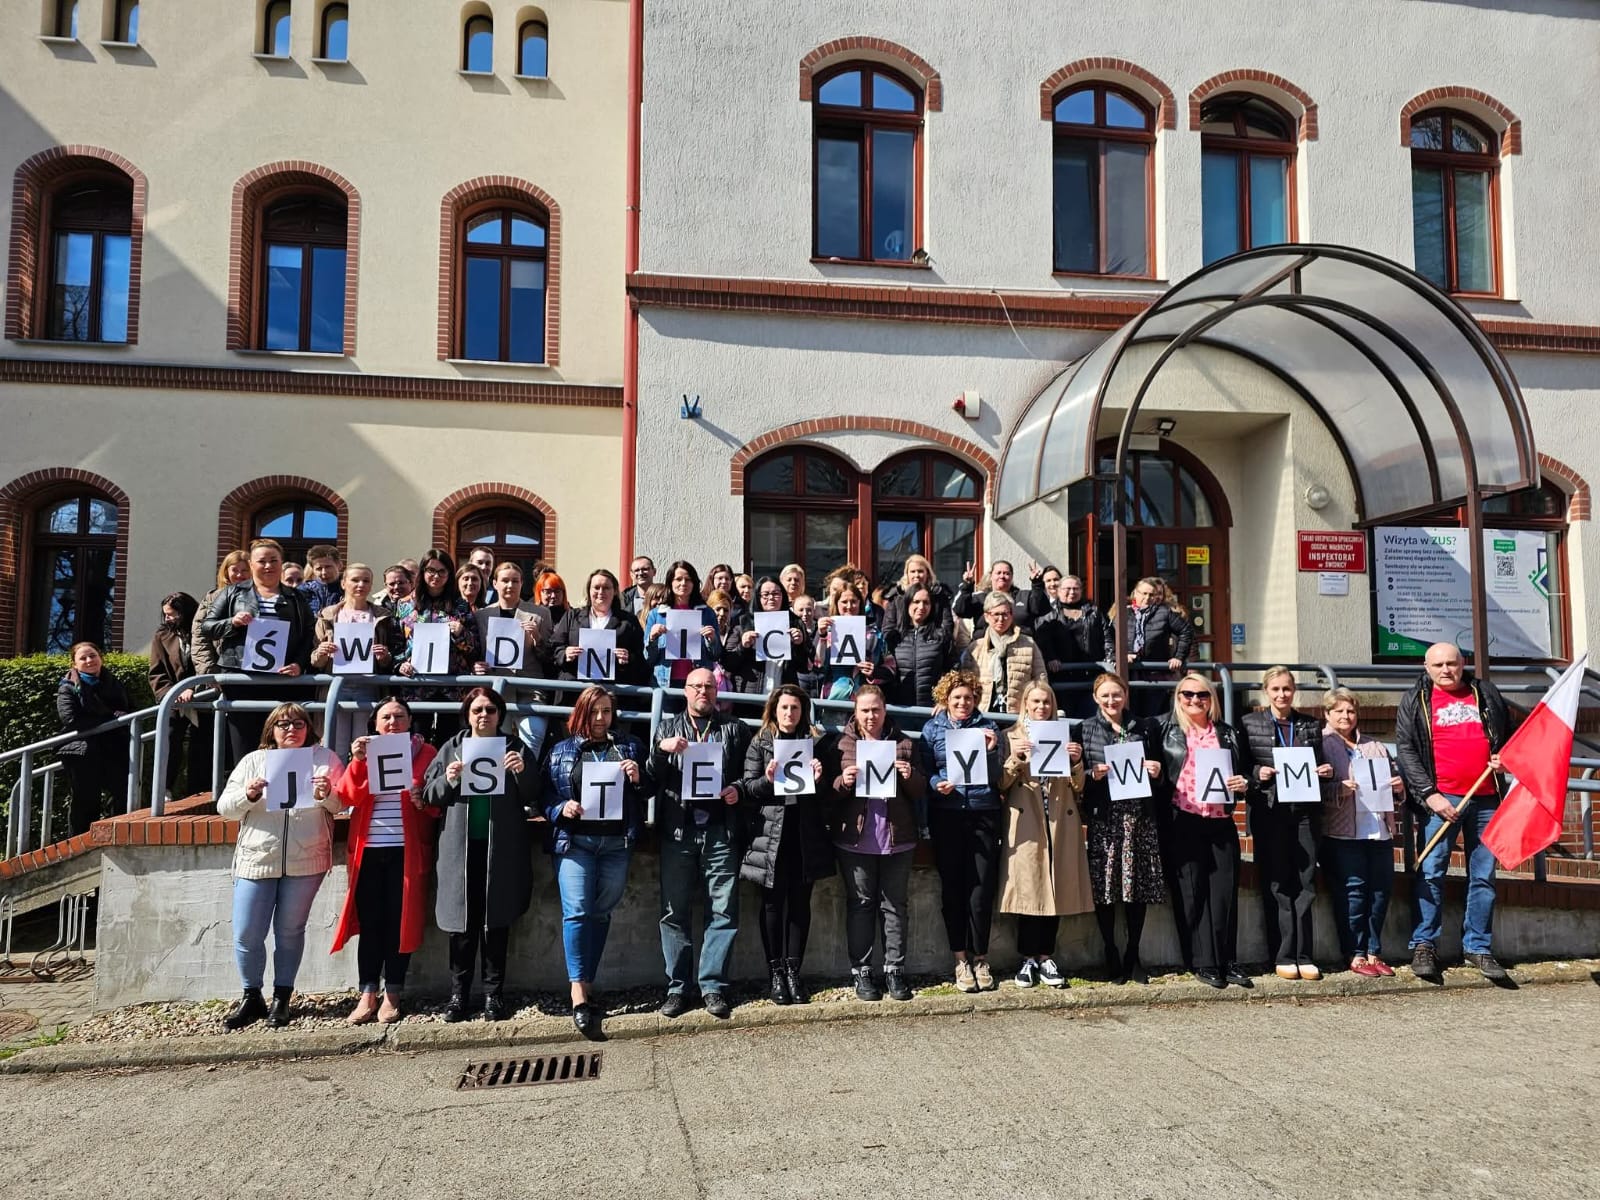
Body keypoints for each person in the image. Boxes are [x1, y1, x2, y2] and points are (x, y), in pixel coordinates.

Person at [215, 703, 344, 1030]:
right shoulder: (253, 761)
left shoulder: (325, 759)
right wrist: (248, 793)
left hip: (306, 859)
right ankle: (251, 994)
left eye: (298, 723)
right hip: (257, 858)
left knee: (289, 931)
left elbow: (343, 803)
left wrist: (327, 794)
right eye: (283, 724)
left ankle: (282, 997)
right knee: (246, 932)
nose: (291, 729)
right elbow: (225, 808)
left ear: (308, 728)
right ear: (271, 730)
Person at [1395, 642, 1511, 982]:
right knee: (1431, 872)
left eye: (1452, 663)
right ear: (1426, 667)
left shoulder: (1485, 693)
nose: (1446, 670)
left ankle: (1478, 946)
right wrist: (1429, 794)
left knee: (1484, 875)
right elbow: (1406, 749)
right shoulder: (1415, 699)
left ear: (1463, 664)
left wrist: (1505, 758)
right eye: (1438, 665)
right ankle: (1424, 944)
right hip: (1440, 799)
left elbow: (1510, 735)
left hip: (1486, 796)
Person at [423, 687, 537, 1022]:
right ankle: (458, 995)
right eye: (477, 710)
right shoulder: (451, 748)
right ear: (467, 715)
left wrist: (522, 772)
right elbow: (430, 795)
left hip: (500, 851)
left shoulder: (515, 747)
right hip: (460, 850)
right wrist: (448, 777)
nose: (483, 716)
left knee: (495, 923)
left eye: (490, 710)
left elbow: (536, 793)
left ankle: (493, 995)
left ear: (500, 714)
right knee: (462, 925)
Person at [545, 685, 649, 1038]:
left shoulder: (630, 746)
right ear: (582, 713)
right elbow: (544, 793)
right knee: (576, 910)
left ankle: (587, 979)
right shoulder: (561, 751)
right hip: (576, 842)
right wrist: (560, 808)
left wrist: (638, 778)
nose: (602, 719)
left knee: (602, 911)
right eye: (595, 712)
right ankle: (578, 992)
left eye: (606, 711)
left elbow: (647, 790)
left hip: (616, 843)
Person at [647, 668, 751, 1019]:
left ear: (717, 689)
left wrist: (737, 789)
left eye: (709, 686)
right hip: (679, 831)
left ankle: (712, 986)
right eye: (696, 686)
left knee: (722, 911)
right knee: (673, 912)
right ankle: (678, 988)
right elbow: (648, 781)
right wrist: (662, 752)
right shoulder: (666, 728)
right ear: (685, 692)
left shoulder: (735, 729)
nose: (703, 692)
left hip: (721, 831)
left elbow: (748, 777)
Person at [331, 698, 439, 1024]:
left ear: (410, 721)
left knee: (399, 923)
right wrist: (357, 761)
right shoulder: (364, 753)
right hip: (369, 849)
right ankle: (367, 994)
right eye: (386, 717)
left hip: (406, 850)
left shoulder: (427, 753)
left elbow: (436, 806)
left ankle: (393, 992)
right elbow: (348, 797)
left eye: (399, 716)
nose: (393, 722)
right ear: (375, 724)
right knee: (371, 924)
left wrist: (423, 800)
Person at [829, 684, 924, 1001]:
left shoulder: (905, 744)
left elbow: (920, 791)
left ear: (885, 711)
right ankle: (862, 971)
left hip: (898, 839)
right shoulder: (842, 745)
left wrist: (910, 776)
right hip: (855, 840)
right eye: (864, 710)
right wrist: (844, 782)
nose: (871, 716)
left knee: (895, 907)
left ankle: (894, 970)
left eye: (876, 709)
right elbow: (828, 792)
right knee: (861, 906)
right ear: (855, 712)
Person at [738, 685, 831, 1006]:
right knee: (773, 905)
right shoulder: (760, 742)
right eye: (784, 708)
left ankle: (794, 972)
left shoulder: (817, 742)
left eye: (795, 708)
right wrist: (767, 779)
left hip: (805, 834)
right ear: (774, 710)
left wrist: (821, 778)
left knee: (801, 904)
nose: (790, 714)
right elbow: (748, 789)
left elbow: (831, 794)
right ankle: (775, 973)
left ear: (803, 711)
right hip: (770, 836)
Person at [1241, 667, 1335, 981]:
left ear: (1294, 691)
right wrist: (1257, 774)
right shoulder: (1249, 723)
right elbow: (1242, 768)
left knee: (1305, 883)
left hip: (1305, 812)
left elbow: (1321, 763)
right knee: (1277, 883)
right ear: (1266, 691)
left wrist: (1325, 772)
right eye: (1276, 689)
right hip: (1270, 811)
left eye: (1287, 689)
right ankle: (1281, 954)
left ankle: (1304, 954)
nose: (1282, 695)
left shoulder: (1309, 724)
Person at [1156, 673, 1250, 989]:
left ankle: (1228, 959)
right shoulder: (1164, 729)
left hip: (1221, 820)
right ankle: (1201, 960)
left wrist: (1244, 782)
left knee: (1224, 893)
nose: (1195, 700)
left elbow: (1245, 770)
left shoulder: (1228, 733)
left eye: (1202, 695)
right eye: (1187, 695)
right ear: (1178, 697)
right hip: (1183, 819)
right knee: (1192, 893)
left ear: (1212, 698)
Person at [999, 683, 1093, 988]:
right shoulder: (1010, 737)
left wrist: (1077, 762)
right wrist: (1017, 758)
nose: (1041, 707)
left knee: (1056, 887)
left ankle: (1046, 955)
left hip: (1059, 821)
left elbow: (1079, 787)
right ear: (1025, 703)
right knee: (1029, 888)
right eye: (1036, 701)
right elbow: (1000, 783)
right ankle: (1027, 957)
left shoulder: (1065, 735)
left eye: (1046, 702)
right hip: (1027, 822)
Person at [919, 669, 1004, 993]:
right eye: (957, 698)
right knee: (952, 890)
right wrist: (933, 784)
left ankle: (981, 957)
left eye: (968, 698)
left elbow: (997, 777)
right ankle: (960, 959)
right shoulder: (932, 729)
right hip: (948, 813)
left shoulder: (989, 727)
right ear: (946, 699)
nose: (963, 703)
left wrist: (994, 749)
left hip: (984, 812)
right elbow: (925, 768)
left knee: (981, 892)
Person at [200, 538, 317, 767]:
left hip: (283, 679)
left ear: (281, 563)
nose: (268, 566)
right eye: (261, 561)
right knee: (245, 741)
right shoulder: (232, 593)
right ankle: (249, 793)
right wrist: (232, 622)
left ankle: (284, 793)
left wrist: (299, 664)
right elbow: (207, 627)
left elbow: (308, 636)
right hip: (242, 678)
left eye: (273, 560)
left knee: (285, 739)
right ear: (251, 564)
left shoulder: (296, 597)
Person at [1080, 673, 1164, 984]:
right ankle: (1110, 951)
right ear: (1095, 698)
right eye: (1106, 696)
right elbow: (1078, 776)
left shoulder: (1145, 726)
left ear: (1126, 695)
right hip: (1106, 817)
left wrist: (1155, 770)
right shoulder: (1086, 729)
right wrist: (1092, 774)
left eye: (1117, 695)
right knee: (1105, 888)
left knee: (1136, 887)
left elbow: (1161, 771)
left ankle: (1133, 951)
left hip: (1139, 817)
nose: (1112, 701)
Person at [1320, 688, 1404, 978]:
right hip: (1343, 833)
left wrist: (1398, 788)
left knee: (1380, 893)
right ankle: (1354, 953)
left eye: (1351, 711)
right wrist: (1338, 790)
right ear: (1327, 714)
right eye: (1339, 711)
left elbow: (1397, 792)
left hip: (1379, 830)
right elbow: (1314, 791)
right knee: (1354, 894)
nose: (1346, 716)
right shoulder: (1321, 744)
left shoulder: (1375, 746)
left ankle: (1373, 950)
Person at [397, 549, 481, 743]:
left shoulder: (461, 605)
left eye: (442, 571)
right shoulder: (405, 605)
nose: (436, 576)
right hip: (416, 686)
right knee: (417, 741)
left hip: (451, 687)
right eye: (431, 570)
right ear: (422, 572)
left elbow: (475, 648)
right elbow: (396, 644)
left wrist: (461, 633)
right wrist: (400, 663)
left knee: (449, 741)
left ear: (450, 574)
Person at [55, 642, 132, 835]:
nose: (89, 660)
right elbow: (71, 718)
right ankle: (80, 841)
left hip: (114, 747)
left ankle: (116, 836)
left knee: (121, 795)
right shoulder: (68, 687)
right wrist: (108, 717)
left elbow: (129, 710)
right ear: (74, 664)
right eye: (83, 658)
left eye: (93, 655)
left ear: (100, 657)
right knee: (86, 799)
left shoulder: (114, 683)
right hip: (82, 750)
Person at [149, 591, 212, 799]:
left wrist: (194, 689)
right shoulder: (162, 635)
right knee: (169, 738)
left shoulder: (203, 631)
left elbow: (207, 663)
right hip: (175, 702)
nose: (169, 619)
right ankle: (164, 790)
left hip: (204, 698)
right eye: (165, 615)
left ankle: (199, 791)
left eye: (173, 614)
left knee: (202, 745)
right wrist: (171, 695)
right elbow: (156, 672)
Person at [1111, 576, 1193, 718]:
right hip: (1128, 673)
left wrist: (1178, 657)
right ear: (1135, 594)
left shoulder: (1164, 613)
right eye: (1144, 593)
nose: (1147, 598)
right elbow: (1109, 638)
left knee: (1152, 715)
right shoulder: (1123, 613)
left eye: (1151, 595)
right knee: (1129, 714)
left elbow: (1186, 631)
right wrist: (1121, 655)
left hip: (1155, 674)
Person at [551, 568, 647, 688]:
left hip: (614, 690)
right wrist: (565, 654)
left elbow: (641, 656)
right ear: (589, 591)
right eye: (596, 587)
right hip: (574, 688)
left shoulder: (628, 621)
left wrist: (628, 658)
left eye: (606, 588)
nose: (601, 592)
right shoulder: (572, 616)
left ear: (615, 591)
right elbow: (555, 647)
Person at [1031, 574, 1106, 718]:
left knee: (1090, 716)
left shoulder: (1094, 612)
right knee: (1065, 717)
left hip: (1089, 674)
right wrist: (1051, 657)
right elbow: (1042, 639)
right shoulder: (1049, 614)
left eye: (1076, 588)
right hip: (1061, 675)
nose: (1072, 592)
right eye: (1067, 588)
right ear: (1058, 591)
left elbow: (1107, 636)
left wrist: (1110, 659)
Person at [961, 593, 1048, 715]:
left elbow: (1040, 680)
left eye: (1005, 614)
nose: (1001, 619)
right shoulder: (975, 647)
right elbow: (964, 683)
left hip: (1018, 713)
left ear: (1012, 615)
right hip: (983, 713)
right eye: (996, 614)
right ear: (986, 616)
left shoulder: (1028, 643)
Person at [724, 576, 810, 694]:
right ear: (758, 597)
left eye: (775, 593)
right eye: (765, 594)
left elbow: (805, 667)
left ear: (783, 596)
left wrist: (800, 645)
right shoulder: (743, 623)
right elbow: (728, 663)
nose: (771, 598)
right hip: (750, 699)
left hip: (783, 698)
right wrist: (743, 646)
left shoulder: (796, 624)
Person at [644, 561, 721, 689]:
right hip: (665, 683)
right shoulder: (656, 615)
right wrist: (652, 639)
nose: (683, 583)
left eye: (688, 579)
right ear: (670, 583)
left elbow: (716, 655)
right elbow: (649, 659)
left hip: (697, 683)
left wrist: (712, 640)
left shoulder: (707, 613)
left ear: (694, 583)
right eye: (678, 579)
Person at [473, 561, 553, 680]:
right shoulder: (481, 615)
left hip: (528, 687)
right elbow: (474, 653)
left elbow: (549, 657)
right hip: (492, 684)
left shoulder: (540, 614)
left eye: (515, 581)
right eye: (505, 581)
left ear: (521, 583)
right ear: (495, 584)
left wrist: (537, 638)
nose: (510, 585)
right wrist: (474, 666)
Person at [885, 585, 957, 708]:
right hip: (899, 709)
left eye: (926, 602)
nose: (921, 607)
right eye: (916, 602)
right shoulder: (894, 637)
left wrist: (945, 699)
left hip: (932, 710)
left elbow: (953, 671)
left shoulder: (941, 635)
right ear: (907, 604)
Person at [814, 582, 889, 700]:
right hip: (833, 699)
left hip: (865, 700)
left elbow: (890, 668)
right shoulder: (826, 631)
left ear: (860, 603)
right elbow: (817, 663)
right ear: (837, 604)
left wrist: (875, 672)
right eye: (844, 602)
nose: (849, 606)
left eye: (854, 601)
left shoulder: (875, 634)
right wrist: (821, 635)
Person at [192, 550, 251, 679]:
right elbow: (200, 639)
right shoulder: (212, 598)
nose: (240, 575)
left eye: (245, 570)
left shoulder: (263, 597)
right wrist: (210, 672)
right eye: (234, 570)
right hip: (222, 672)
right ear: (226, 572)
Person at [879, 554, 955, 643]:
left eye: (920, 571)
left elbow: (947, 626)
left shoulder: (939, 594)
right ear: (906, 574)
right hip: (902, 649)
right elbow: (888, 628)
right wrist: (901, 647)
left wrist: (933, 645)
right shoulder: (897, 596)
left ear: (927, 573)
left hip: (933, 648)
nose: (916, 575)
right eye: (912, 571)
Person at [953, 559, 1028, 636]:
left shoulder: (1023, 597)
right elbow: (960, 611)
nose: (1002, 576)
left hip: (1016, 644)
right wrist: (967, 586)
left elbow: (1038, 607)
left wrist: (1037, 584)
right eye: (998, 573)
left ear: (1012, 577)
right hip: (983, 644)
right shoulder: (979, 597)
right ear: (991, 576)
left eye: (1006, 573)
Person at [298, 544, 344, 617]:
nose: (324, 572)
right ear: (312, 569)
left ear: (340, 565)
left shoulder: (348, 589)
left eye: (328, 567)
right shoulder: (303, 591)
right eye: (319, 568)